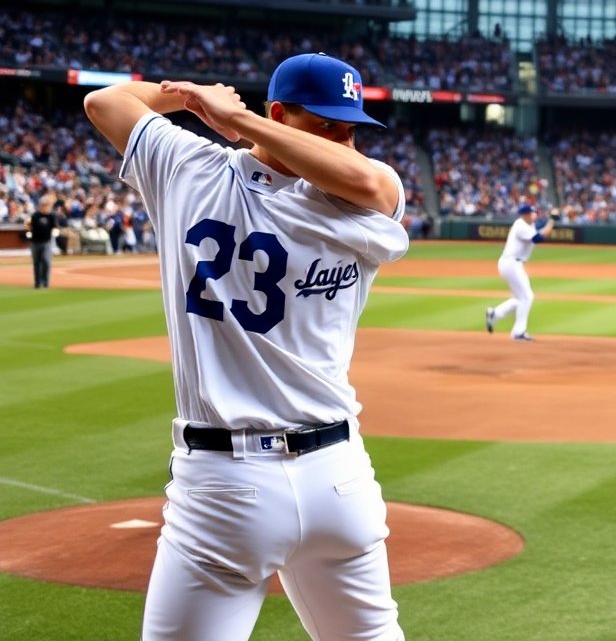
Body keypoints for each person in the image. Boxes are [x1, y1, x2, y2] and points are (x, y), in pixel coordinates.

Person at [83, 52, 408, 640]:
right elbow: (100, 102)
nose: (345, 141)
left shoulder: (191, 167)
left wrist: (232, 118)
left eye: (350, 127)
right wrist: (201, 98)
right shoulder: (200, 167)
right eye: (327, 124)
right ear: (281, 111)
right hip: (290, 482)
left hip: (284, 479)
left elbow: (111, 103)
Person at [485, 202, 556, 341]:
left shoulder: (528, 224)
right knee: (527, 296)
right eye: (531, 213)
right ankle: (518, 332)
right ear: (524, 215)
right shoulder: (520, 226)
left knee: (519, 298)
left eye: (533, 213)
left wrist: (549, 217)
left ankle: (495, 314)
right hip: (511, 263)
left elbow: (540, 226)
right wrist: (552, 221)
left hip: (511, 263)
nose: (533, 215)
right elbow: (538, 238)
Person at [26, 194, 58, 288]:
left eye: (47, 205)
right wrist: (28, 228)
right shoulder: (35, 215)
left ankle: (45, 282)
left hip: (46, 241)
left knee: (46, 261)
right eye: (44, 205)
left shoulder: (51, 216)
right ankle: (37, 282)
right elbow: (30, 226)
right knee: (36, 262)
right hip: (35, 242)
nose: (45, 207)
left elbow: (55, 227)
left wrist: (55, 232)